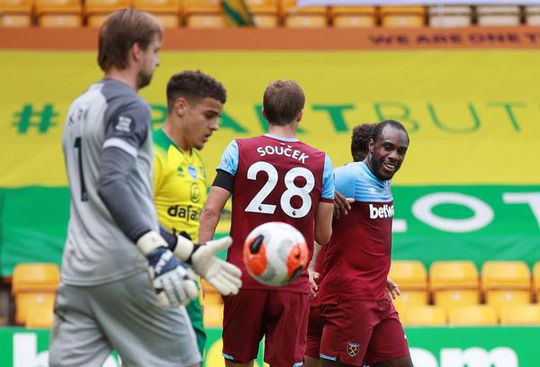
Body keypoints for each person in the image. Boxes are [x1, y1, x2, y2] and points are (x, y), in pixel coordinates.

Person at [49, 10, 241, 367]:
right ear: (137, 51)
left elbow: (122, 203)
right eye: (155, 51)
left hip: (78, 272)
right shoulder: (129, 105)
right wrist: (156, 253)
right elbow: (113, 184)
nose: (158, 60)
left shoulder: (79, 106)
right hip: (127, 268)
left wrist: (186, 249)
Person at [199, 80, 335, 367]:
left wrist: (202, 262)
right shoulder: (321, 162)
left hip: (244, 275)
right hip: (292, 278)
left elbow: (211, 212)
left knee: (237, 361)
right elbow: (323, 234)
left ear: (264, 112)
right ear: (300, 114)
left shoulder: (239, 149)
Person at [317, 120, 413, 367]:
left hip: (378, 296)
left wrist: (378, 272)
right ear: (372, 146)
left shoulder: (384, 178)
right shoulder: (350, 176)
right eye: (388, 147)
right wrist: (321, 194)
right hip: (350, 300)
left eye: (401, 151)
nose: (394, 156)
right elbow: (303, 193)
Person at [153, 70, 227, 361]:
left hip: (189, 286)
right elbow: (131, 222)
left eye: (218, 117)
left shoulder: (195, 160)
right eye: (209, 115)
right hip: (155, 285)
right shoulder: (151, 154)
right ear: (181, 107)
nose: (216, 126)